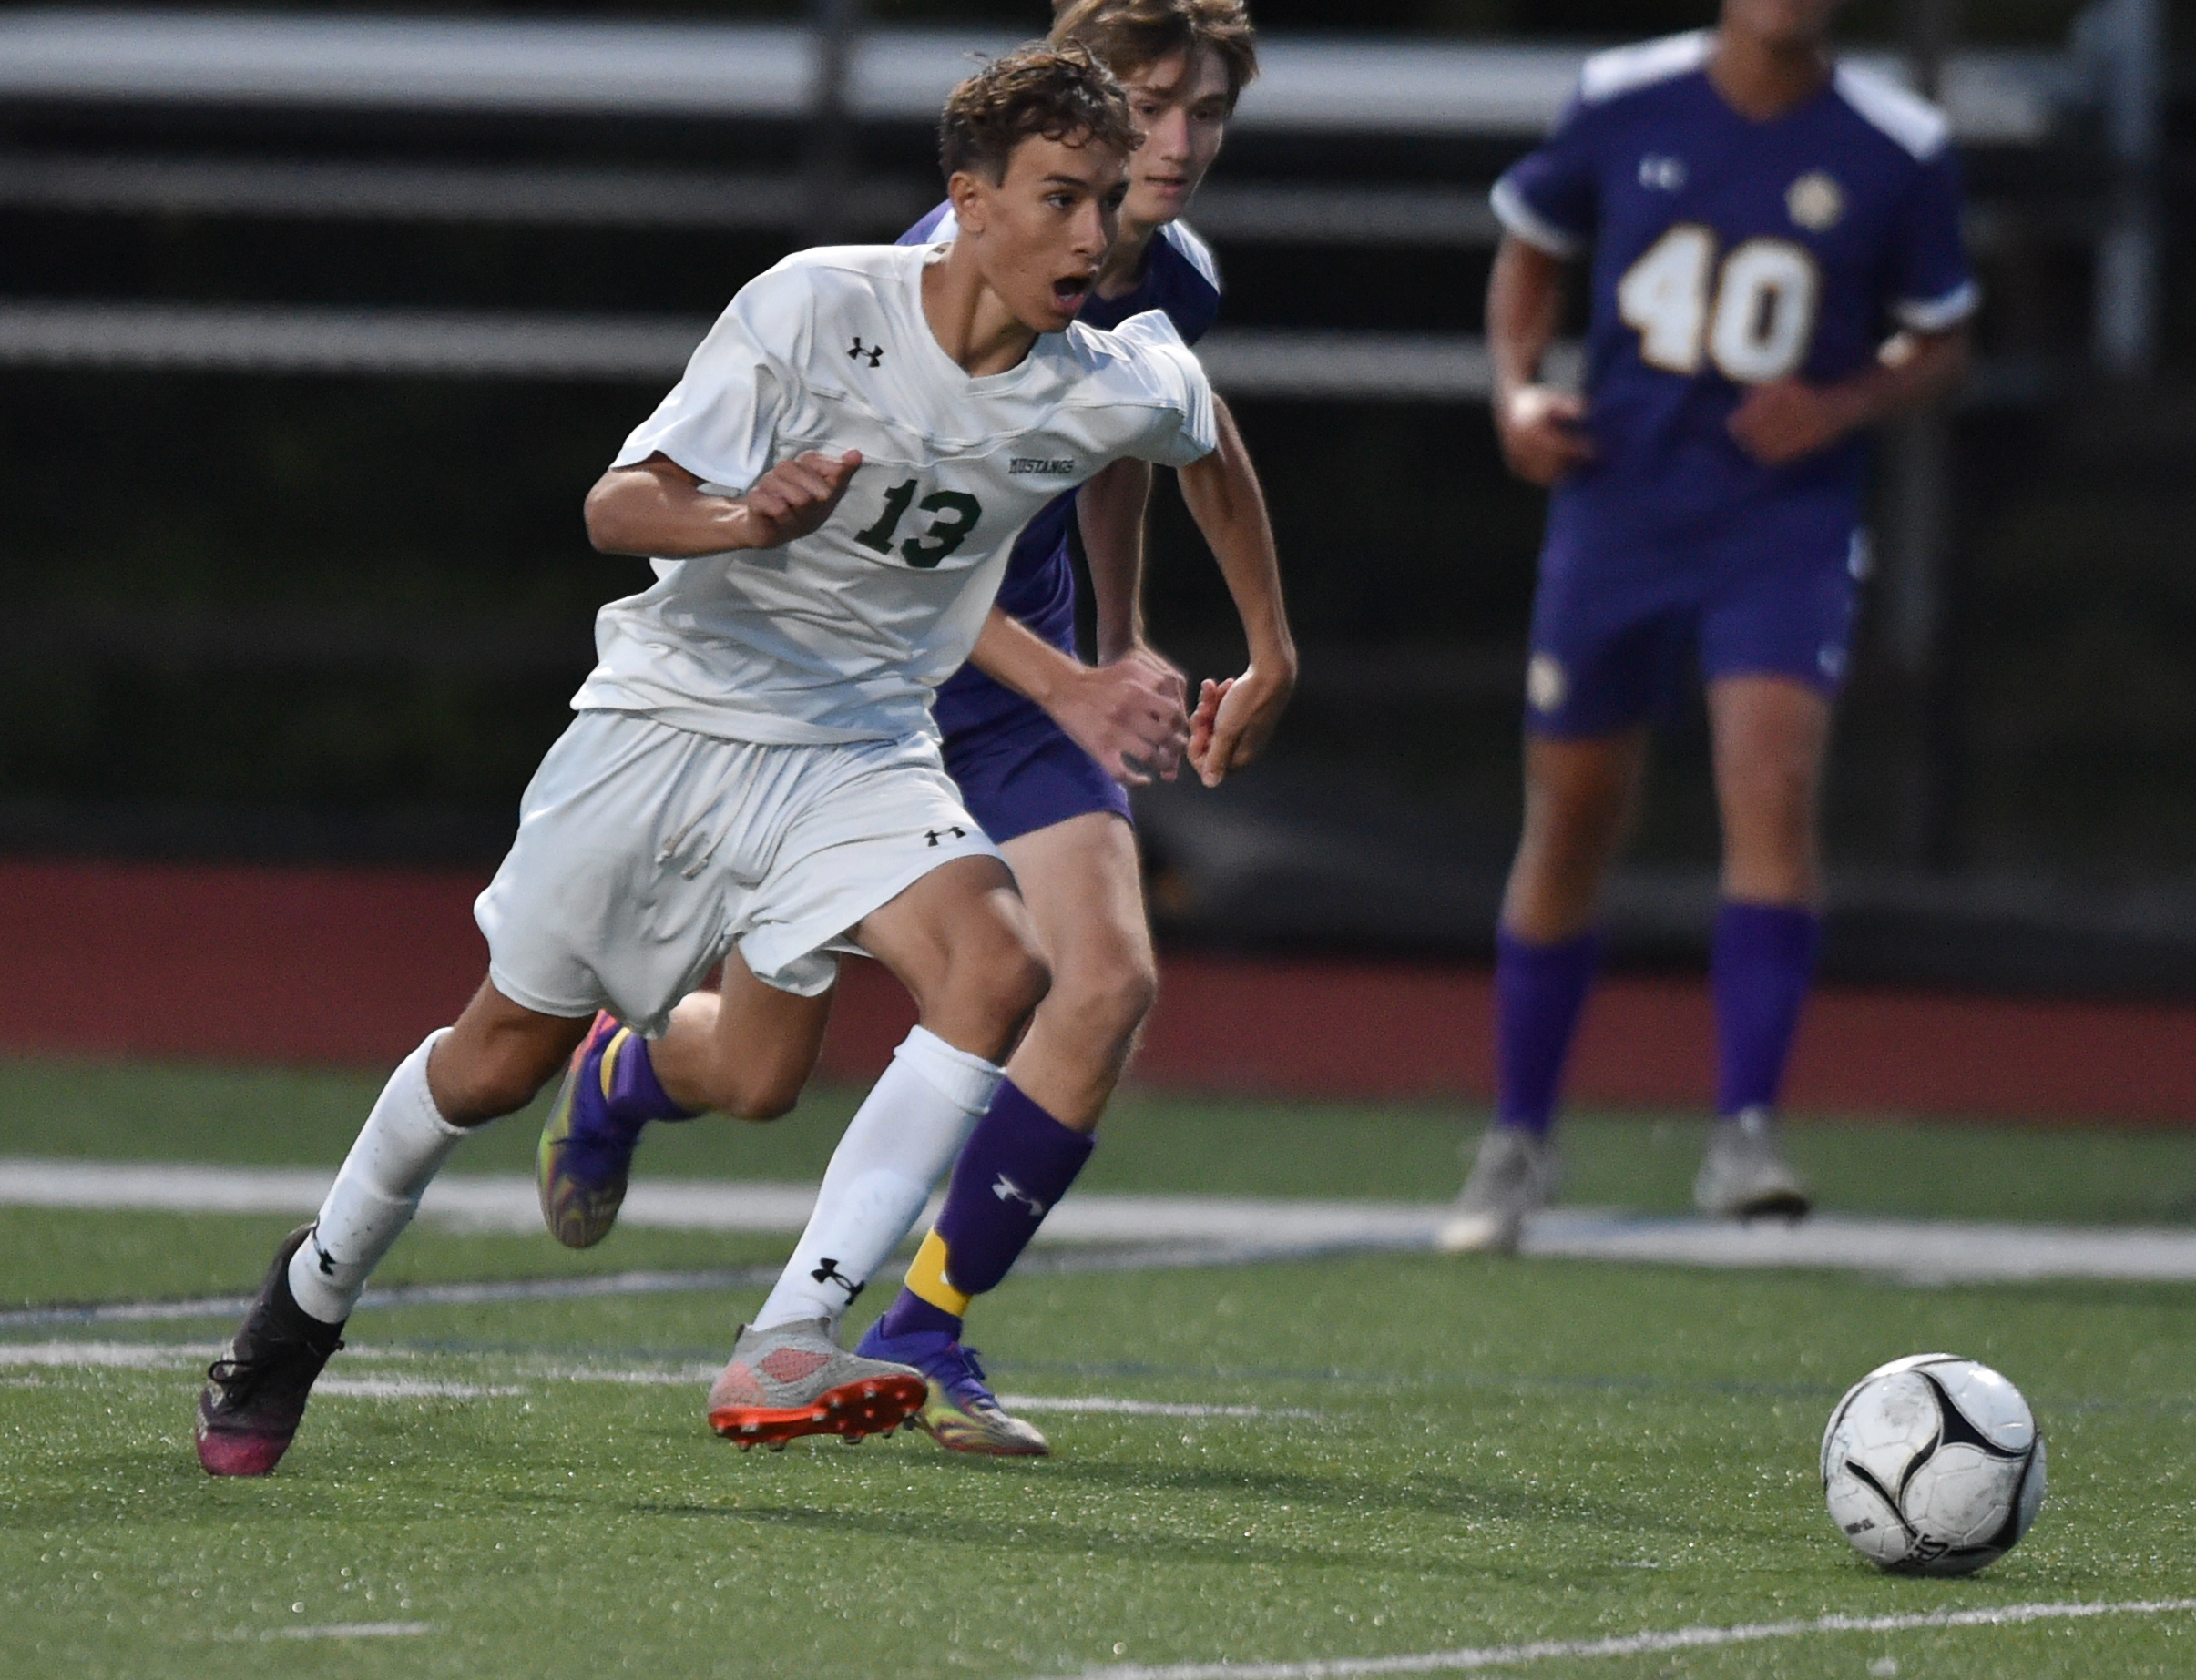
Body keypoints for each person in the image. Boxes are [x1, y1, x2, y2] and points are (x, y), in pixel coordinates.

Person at [193, 43, 1232, 1475]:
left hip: (856, 746)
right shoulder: (818, 306)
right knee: (502, 1062)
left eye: (1107, 203)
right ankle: (302, 1303)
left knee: (999, 968)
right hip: (674, 718)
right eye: (1058, 198)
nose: (1090, 235)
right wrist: (748, 521)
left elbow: (1204, 432)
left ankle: (788, 1338)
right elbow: (619, 507)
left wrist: (1273, 647)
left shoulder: (1100, 377)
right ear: (968, 202)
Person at [536, 0, 1294, 1461]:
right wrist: (1065, 675)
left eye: (1205, 111)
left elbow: (1137, 443)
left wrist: (1169, 640)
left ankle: (924, 1321)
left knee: (1105, 978)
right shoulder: (938, 263)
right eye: (1150, 103)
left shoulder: (1165, 276)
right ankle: (629, 1071)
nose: (1178, 141)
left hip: (1025, 696)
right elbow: (890, 548)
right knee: (759, 1076)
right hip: (856, 688)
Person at [1438, 0, 1975, 1255]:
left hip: (1777, 526)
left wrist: (1847, 399)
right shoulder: (1627, 91)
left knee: (1774, 785)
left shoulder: (1897, 141)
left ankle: (1744, 1127)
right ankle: (1519, 1133)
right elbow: (1530, 243)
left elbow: (1943, 333)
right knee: (1570, 818)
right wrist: (1517, 389)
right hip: (1618, 505)